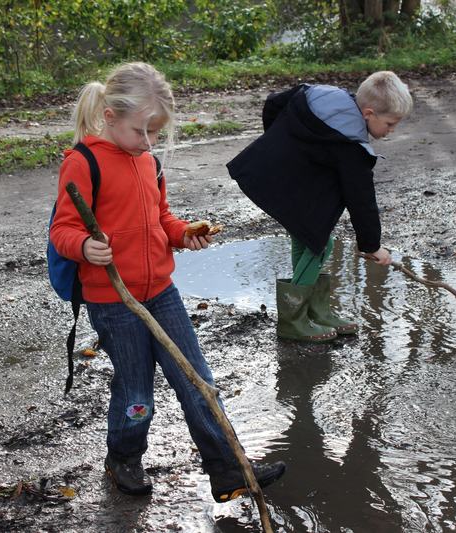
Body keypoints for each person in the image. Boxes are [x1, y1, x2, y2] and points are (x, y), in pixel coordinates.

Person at [49, 62, 285, 502]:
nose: (149, 142)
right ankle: (124, 457)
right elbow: (62, 230)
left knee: (197, 378)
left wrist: (183, 234)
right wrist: (84, 247)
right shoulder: (83, 164)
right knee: (137, 390)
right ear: (110, 116)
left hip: (161, 292)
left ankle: (228, 470)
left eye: (156, 134)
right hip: (113, 300)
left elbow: (161, 218)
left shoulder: (149, 163)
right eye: (143, 132)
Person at [226, 71, 413, 343]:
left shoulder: (317, 96)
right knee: (320, 242)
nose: (392, 130)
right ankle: (294, 320)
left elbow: (274, 103)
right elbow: (361, 199)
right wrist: (371, 244)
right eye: (390, 123)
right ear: (369, 113)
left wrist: (278, 144)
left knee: (306, 236)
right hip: (281, 182)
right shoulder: (351, 145)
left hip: (273, 173)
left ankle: (317, 310)